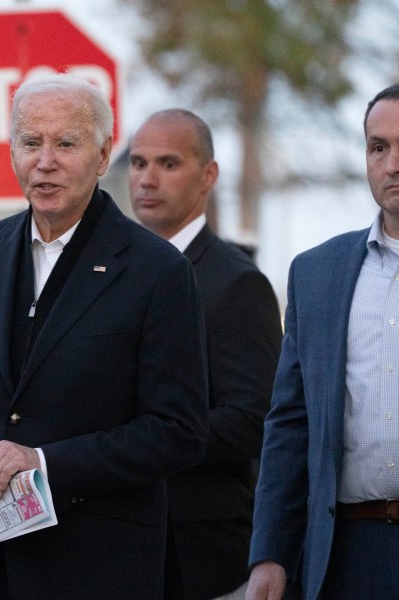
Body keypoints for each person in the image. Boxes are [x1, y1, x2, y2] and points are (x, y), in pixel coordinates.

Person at [0, 73, 209, 600]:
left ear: (102, 156)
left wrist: (45, 463)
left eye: (65, 143)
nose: (45, 161)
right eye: (31, 142)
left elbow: (177, 430)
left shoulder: (156, 269)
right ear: (12, 152)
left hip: (98, 570)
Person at [247, 80, 399, 600]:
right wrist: (270, 552)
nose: (393, 163)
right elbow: (291, 422)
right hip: (341, 558)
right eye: (378, 147)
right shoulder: (316, 272)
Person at [128, 109, 282, 600]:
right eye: (137, 163)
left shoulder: (235, 282)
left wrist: (141, 439)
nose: (147, 179)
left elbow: (253, 419)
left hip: (198, 554)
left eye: (168, 164)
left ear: (207, 176)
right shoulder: (108, 271)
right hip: (116, 543)